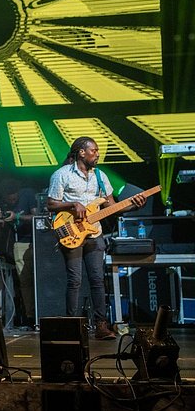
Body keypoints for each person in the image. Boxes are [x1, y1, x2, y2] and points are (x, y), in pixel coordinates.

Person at [47, 137, 146, 340]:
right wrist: (73, 204)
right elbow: (51, 204)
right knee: (75, 280)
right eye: (94, 150)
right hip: (72, 232)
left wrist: (135, 205)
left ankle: (101, 326)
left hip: (95, 232)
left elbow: (111, 207)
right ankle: (72, 325)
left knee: (97, 280)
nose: (97, 154)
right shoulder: (62, 175)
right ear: (82, 153)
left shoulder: (100, 176)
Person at [0, 179, 36, 327]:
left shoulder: (28, 194)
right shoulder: (2, 205)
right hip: (17, 244)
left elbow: (37, 218)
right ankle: (29, 317)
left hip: (36, 241)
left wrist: (17, 217)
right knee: (24, 281)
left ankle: (39, 312)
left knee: (37, 280)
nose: (12, 200)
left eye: (14, 198)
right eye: (9, 199)